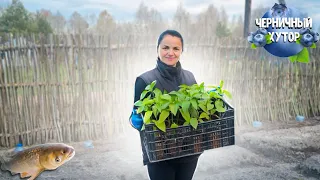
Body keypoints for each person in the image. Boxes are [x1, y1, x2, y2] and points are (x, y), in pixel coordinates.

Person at [129, 29, 201, 180]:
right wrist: (137, 119)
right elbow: (137, 117)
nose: (170, 53)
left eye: (176, 48)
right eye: (165, 47)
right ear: (158, 49)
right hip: (160, 156)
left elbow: (198, 111)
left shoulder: (189, 77)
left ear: (181, 51)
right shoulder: (145, 80)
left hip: (189, 152)